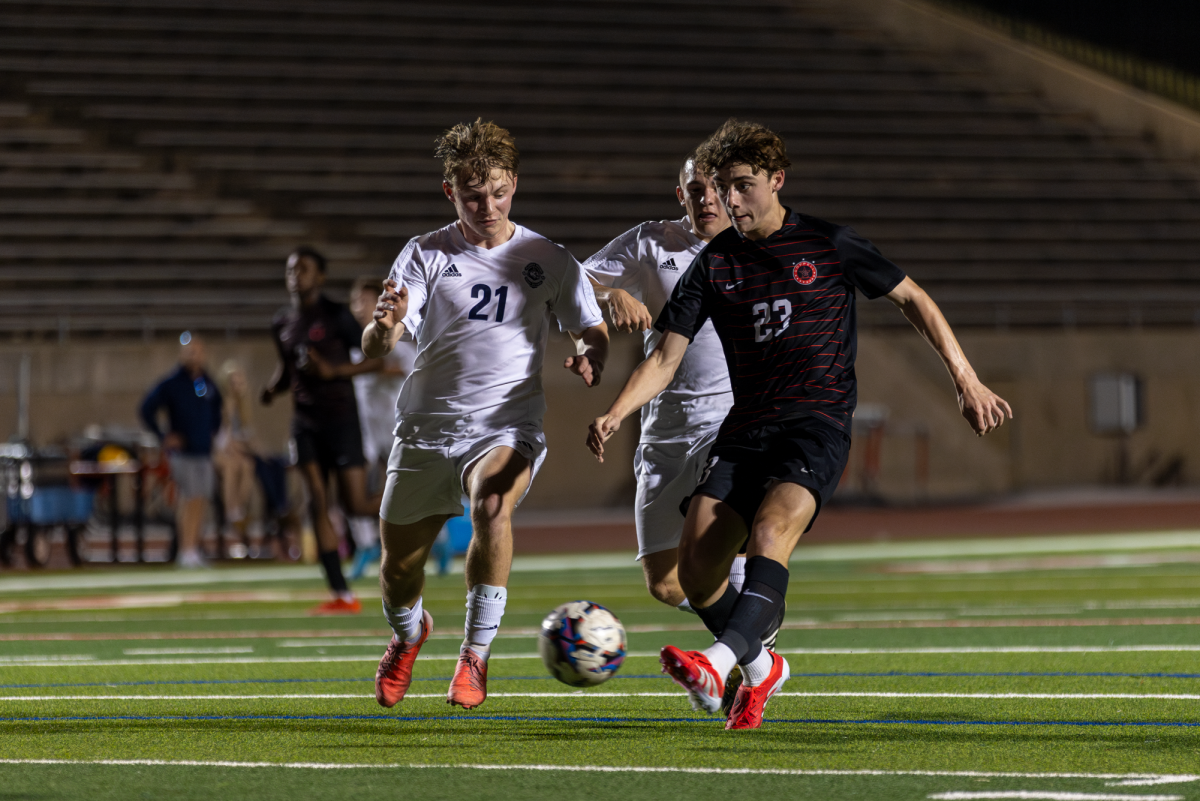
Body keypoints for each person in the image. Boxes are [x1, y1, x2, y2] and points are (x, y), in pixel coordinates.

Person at [587, 119, 1013, 730]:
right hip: (745, 429)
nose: (730, 201)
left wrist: (965, 378)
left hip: (814, 424)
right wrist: (616, 411)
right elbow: (664, 356)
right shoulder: (713, 264)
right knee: (692, 570)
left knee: (771, 532)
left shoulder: (827, 243)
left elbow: (914, 298)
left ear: (776, 181)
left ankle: (716, 662)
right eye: (723, 189)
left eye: (742, 186)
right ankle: (763, 669)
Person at [361, 118, 608, 711]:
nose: (489, 205)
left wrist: (588, 355)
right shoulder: (424, 252)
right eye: (474, 195)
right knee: (398, 570)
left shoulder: (545, 257)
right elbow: (376, 345)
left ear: (514, 184)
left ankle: (475, 656)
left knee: (492, 503)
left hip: (505, 424)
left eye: (499, 192)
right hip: (425, 428)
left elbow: (590, 327)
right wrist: (383, 324)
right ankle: (409, 633)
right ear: (451, 192)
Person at [583, 153, 785, 713]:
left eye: (715, 188)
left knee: (725, 549)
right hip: (664, 427)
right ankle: (759, 658)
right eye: (695, 190)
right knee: (667, 584)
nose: (707, 199)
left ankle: (733, 661)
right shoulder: (652, 243)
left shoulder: (758, 247)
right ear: (681, 194)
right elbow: (572, 284)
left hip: (732, 422)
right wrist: (611, 294)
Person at [262, 246, 385, 614]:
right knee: (316, 498)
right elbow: (288, 371)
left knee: (356, 504)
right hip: (305, 423)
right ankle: (341, 592)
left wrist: (333, 373)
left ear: (320, 276)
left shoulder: (337, 316)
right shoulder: (281, 323)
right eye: (291, 269)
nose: (295, 275)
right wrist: (272, 388)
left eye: (304, 269)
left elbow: (373, 361)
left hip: (342, 419)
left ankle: (421, 507)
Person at [347, 276, 418, 580]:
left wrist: (379, 367)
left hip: (394, 425)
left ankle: (434, 541)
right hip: (362, 428)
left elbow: (412, 367)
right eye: (355, 301)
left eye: (365, 300)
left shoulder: (393, 336)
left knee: (403, 489)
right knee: (352, 491)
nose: (359, 307)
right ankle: (365, 546)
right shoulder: (348, 337)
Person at [139, 332, 222, 569]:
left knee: (201, 499)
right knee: (189, 498)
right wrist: (164, 436)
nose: (193, 355)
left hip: (203, 451)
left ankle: (194, 548)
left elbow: (217, 409)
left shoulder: (207, 382)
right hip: (183, 453)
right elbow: (146, 409)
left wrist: (212, 433)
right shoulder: (172, 383)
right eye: (189, 351)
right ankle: (185, 550)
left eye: (197, 351)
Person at [214, 358, 259, 556]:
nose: (238, 385)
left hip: (234, 450)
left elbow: (246, 435)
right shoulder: (224, 403)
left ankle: (239, 510)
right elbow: (223, 435)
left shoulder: (243, 406)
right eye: (234, 381)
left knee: (248, 465)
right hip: (216, 450)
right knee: (232, 466)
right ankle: (231, 513)